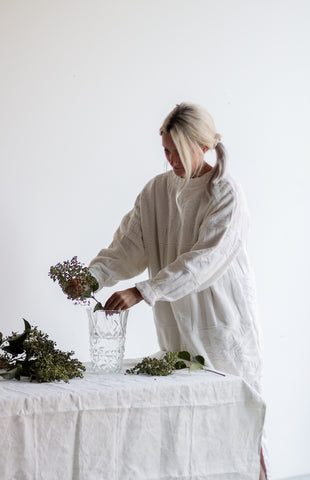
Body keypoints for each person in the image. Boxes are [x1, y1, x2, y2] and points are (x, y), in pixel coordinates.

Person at [70, 102, 267, 479]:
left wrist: (143, 291)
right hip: (176, 334)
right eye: (166, 151)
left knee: (237, 436)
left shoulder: (225, 193)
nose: (171, 160)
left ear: (202, 145)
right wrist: (92, 277)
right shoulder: (156, 191)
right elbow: (128, 247)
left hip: (223, 334)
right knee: (184, 439)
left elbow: (205, 261)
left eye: (178, 151)